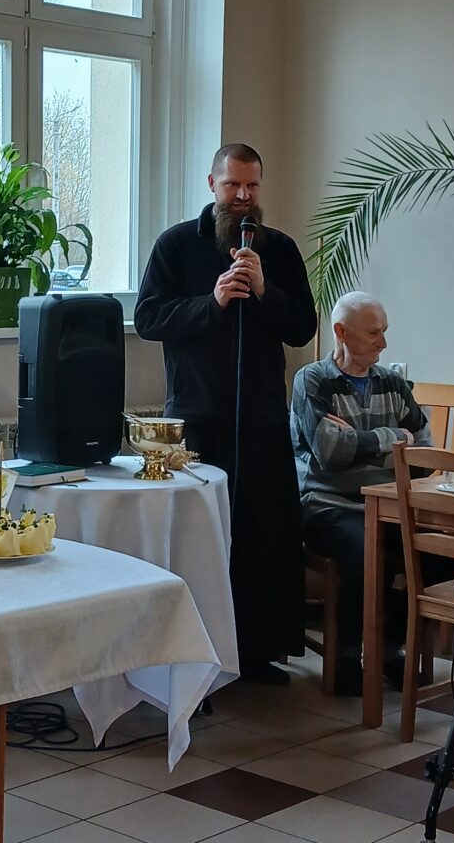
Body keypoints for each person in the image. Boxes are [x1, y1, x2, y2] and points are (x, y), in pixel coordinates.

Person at [135, 143, 317, 685]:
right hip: (196, 418)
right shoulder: (175, 245)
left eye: (252, 186)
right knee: (198, 539)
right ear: (211, 184)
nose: (242, 196)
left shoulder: (278, 249)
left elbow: (302, 327)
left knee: (261, 538)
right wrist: (211, 302)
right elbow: (148, 318)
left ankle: (256, 652)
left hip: (261, 419)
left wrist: (263, 290)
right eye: (232, 184)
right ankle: (192, 659)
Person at [291, 291, 454, 695]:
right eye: (373, 333)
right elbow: (329, 453)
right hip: (328, 506)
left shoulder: (392, 383)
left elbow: (424, 454)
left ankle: (388, 646)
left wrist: (359, 440)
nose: (383, 343)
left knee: (449, 559)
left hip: (389, 508)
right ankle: (346, 657)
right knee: (364, 553)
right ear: (341, 332)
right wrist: (392, 438)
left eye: (384, 331)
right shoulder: (312, 380)